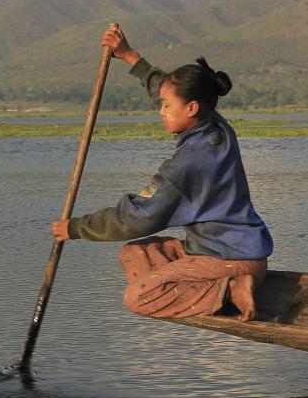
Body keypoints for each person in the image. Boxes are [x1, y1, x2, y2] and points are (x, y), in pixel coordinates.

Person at [51, 26, 273, 322]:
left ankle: (226, 290)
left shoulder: (186, 165)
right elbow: (166, 92)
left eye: (168, 107)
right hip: (237, 253)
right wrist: (131, 58)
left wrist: (77, 228)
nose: (162, 111)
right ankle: (220, 286)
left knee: (138, 297)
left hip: (229, 260)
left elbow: (138, 216)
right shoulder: (216, 128)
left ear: (192, 108)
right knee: (135, 255)